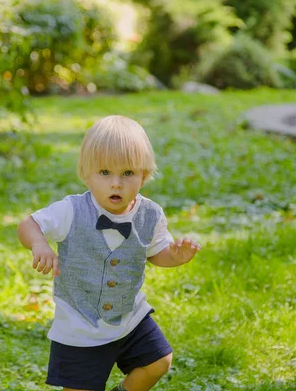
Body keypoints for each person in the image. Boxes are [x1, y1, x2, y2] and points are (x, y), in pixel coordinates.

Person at [17, 115, 201, 391]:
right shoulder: (71, 211)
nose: (116, 183)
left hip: (129, 319)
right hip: (80, 326)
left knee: (158, 362)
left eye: (127, 173)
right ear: (86, 174)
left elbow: (157, 253)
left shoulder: (150, 214)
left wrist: (175, 257)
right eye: (105, 173)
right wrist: (40, 245)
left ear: (144, 176)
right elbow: (28, 224)